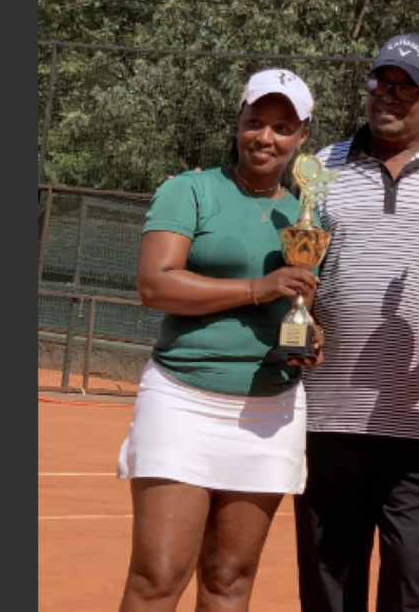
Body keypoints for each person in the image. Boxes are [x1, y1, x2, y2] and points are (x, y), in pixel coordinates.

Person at [115, 69, 325, 611]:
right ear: (238, 121)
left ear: (303, 136)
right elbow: (154, 283)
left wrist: (310, 329)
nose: (265, 137)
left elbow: (299, 302)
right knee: (158, 576)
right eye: (255, 122)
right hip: (183, 399)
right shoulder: (190, 189)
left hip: (269, 412)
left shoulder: (307, 213)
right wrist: (258, 287)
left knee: (230, 578)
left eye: (282, 127)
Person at [294, 34, 419, 611]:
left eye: (408, 85)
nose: (391, 94)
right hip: (328, 408)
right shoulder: (320, 165)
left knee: (410, 572)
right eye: (383, 80)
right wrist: (298, 318)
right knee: (330, 571)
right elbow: (299, 262)